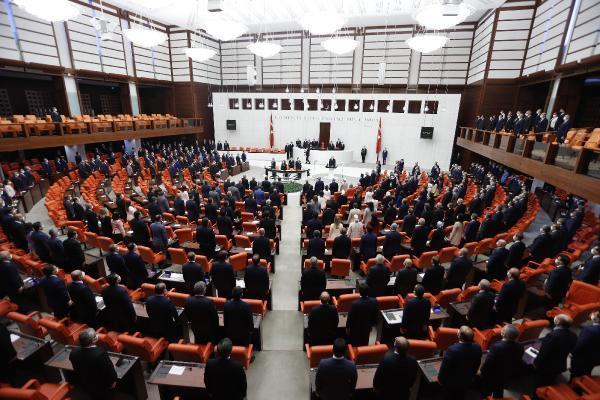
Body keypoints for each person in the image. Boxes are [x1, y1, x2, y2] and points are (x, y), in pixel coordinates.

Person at [69, 328, 117, 400]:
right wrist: (113, 381)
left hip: (85, 383)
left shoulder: (73, 352)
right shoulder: (100, 354)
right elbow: (109, 371)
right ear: (94, 340)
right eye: (95, 335)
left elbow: (76, 369)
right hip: (102, 387)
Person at [438, 326, 483, 400]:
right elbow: (477, 364)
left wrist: (440, 379)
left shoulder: (452, 350)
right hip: (467, 380)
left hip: (451, 383)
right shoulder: (478, 348)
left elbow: (445, 367)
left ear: (459, 336)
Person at [480, 324, 524, 399]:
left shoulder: (497, 347)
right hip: (507, 374)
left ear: (503, 334)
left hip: (493, 375)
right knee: (499, 390)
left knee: (486, 392)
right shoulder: (520, 347)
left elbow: (488, 363)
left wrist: (482, 371)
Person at [534, 314, 577, 387]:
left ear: (558, 322)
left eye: (556, 318)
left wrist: (536, 363)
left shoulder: (552, 336)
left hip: (546, 366)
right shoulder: (574, 335)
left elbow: (543, 353)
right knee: (551, 380)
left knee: (540, 384)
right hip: (560, 364)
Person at [570, 311, 600, 377]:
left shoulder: (589, 330)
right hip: (595, 358)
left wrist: (572, 352)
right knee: (587, 372)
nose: (592, 315)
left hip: (582, 358)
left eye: (594, 315)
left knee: (576, 375)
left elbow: (580, 344)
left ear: (598, 319)